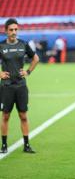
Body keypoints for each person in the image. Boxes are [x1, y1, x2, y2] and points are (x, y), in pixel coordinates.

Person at [0, 18, 39, 154]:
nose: (14, 32)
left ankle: (26, 145)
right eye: (11, 30)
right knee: (5, 116)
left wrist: (28, 71)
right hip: (6, 87)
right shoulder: (1, 46)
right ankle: (4, 145)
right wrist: (0, 73)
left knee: (23, 115)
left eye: (16, 29)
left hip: (21, 86)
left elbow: (35, 58)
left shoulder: (23, 44)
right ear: (5, 31)